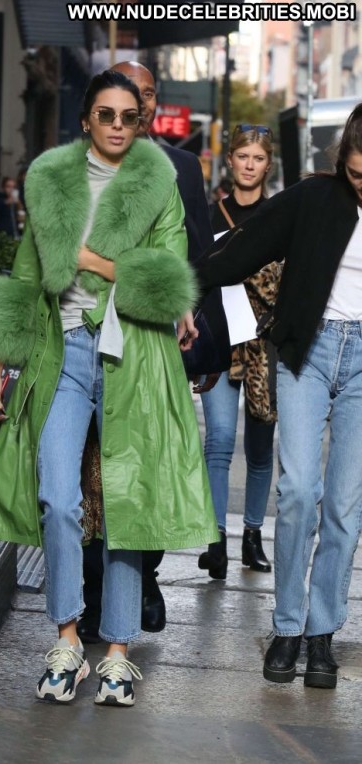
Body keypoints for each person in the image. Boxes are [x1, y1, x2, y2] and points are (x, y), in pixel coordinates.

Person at [0, 70, 218, 706]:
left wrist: (87, 260)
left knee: (127, 505)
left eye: (128, 116)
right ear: (85, 119)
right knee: (57, 498)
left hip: (135, 356)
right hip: (63, 353)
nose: (116, 125)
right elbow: (25, 274)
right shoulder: (52, 178)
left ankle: (117, 653)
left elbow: (166, 284)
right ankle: (66, 641)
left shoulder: (157, 181)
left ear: (141, 123)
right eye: (105, 114)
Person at [199, 103, 362, 690]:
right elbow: (247, 247)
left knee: (344, 507)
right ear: (342, 160)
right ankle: (287, 626)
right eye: (357, 173)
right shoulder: (315, 197)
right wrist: (180, 283)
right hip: (307, 352)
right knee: (297, 493)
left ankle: (322, 633)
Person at [78, 60, 230, 643]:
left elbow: (199, 258)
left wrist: (206, 345)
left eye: (144, 96)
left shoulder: (181, 166)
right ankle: (97, 593)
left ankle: (146, 579)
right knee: (92, 477)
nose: (135, 107)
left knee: (148, 469)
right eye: (125, 95)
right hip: (93, 343)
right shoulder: (81, 165)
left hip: (157, 342)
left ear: (153, 104)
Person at [198, 124, 280, 580]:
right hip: (218, 341)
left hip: (265, 345)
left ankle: (252, 535)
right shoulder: (208, 216)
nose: (250, 165)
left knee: (261, 446)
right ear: (229, 160)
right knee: (219, 440)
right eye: (243, 156)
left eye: (258, 158)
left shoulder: (279, 216)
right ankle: (216, 541)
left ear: (268, 165)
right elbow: (195, 278)